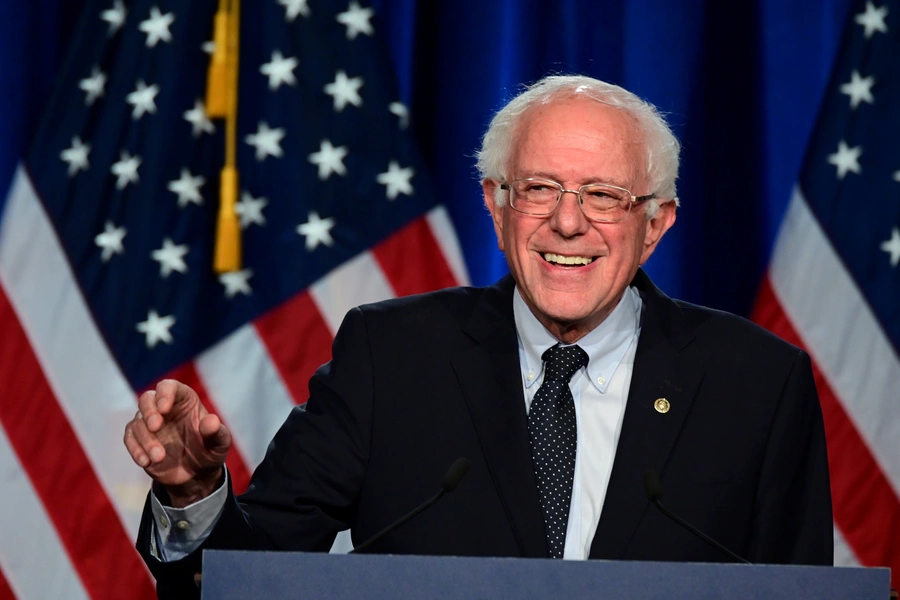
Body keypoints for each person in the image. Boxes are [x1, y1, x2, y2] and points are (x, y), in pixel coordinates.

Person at [124, 75, 833, 597]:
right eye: (539, 189)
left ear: (657, 224)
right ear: (496, 209)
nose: (567, 222)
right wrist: (195, 493)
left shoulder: (758, 384)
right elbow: (242, 584)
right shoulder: (392, 357)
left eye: (604, 196)